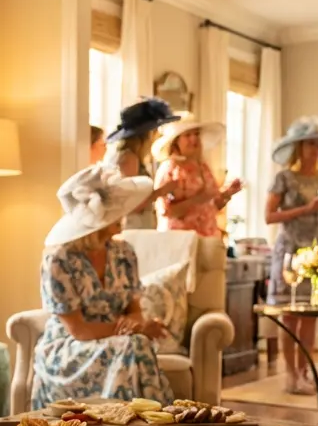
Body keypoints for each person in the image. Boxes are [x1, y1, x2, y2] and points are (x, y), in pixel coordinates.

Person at [33, 164, 172, 409]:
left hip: (119, 342)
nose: (123, 215)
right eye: (115, 211)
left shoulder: (124, 253)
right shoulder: (58, 260)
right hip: (70, 350)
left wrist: (136, 324)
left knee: (134, 346)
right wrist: (135, 331)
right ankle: (152, 419)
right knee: (134, 345)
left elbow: (134, 310)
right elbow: (78, 330)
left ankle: (134, 419)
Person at [265, 117, 318, 394]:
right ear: (299, 147)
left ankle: (305, 372)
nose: (316, 149)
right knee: (290, 315)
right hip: (290, 251)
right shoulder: (284, 178)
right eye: (311, 143)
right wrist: (305, 209)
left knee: (311, 315)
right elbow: (269, 216)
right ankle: (290, 374)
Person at [153, 120, 242, 237]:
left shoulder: (203, 167)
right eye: (188, 135)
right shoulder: (170, 170)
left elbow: (211, 206)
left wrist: (227, 194)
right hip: (180, 239)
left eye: (196, 134)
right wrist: (197, 200)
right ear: (176, 142)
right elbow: (166, 211)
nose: (194, 139)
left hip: (206, 237)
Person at [104, 99, 182, 229]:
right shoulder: (129, 158)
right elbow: (129, 205)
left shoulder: (128, 156)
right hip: (132, 225)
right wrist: (161, 191)